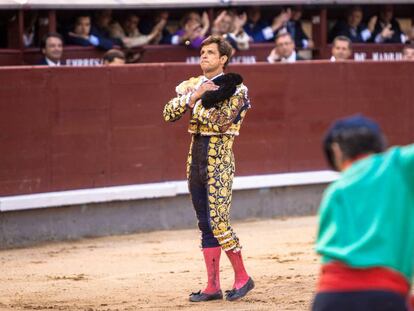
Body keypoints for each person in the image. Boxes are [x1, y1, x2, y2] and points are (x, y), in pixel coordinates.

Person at [163, 35, 254, 302]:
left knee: (219, 222)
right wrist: (195, 95)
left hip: (220, 162)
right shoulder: (193, 85)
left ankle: (243, 278)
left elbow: (222, 122)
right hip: (195, 159)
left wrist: (197, 102)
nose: (203, 56)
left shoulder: (238, 90)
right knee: (205, 225)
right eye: (202, 52)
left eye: (210, 52)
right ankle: (212, 286)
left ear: (223, 59)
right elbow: (168, 113)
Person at [312, 115, 414, 311]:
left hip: (328, 296)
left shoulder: (334, 190)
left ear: (337, 151)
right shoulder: (397, 164)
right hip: (384, 294)